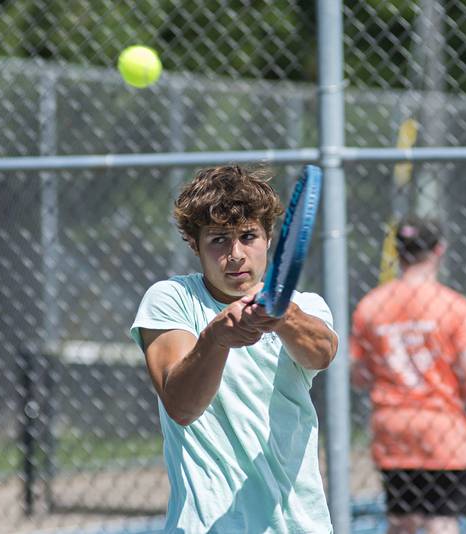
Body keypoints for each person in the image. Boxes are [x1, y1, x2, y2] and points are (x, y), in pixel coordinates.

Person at [130, 165, 338, 533]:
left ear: (269, 237)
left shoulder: (306, 306)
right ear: (195, 245)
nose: (236, 254)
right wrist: (217, 338)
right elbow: (181, 406)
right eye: (218, 240)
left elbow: (322, 352)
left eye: (248, 236)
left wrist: (282, 314)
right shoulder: (171, 300)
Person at [350, 216, 466, 534]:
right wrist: (463, 394)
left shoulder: (372, 305)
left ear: (397, 251)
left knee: (401, 521)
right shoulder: (453, 305)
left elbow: (359, 375)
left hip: (393, 424)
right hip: (441, 423)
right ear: (439, 250)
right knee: (441, 521)